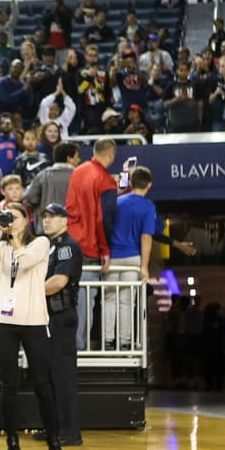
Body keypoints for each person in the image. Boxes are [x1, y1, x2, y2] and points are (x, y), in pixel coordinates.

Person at [0, 202, 64, 450]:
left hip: (35, 321)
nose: (10, 222)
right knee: (9, 384)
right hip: (5, 322)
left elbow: (25, 261)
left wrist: (13, 238)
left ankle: (54, 440)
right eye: (7, 218)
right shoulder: (3, 246)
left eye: (14, 218)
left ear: (26, 220)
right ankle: (12, 442)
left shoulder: (40, 243)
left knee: (42, 383)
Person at [66, 139, 117, 352]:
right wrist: (105, 250)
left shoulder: (77, 171)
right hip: (89, 247)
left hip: (68, 244)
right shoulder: (106, 181)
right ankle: (77, 348)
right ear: (111, 155)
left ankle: (66, 346)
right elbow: (104, 219)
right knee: (85, 301)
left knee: (68, 299)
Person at [41, 203, 83, 446]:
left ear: (65, 220)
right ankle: (53, 428)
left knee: (63, 376)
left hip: (61, 316)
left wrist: (29, 291)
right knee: (49, 375)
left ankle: (69, 431)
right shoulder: (47, 246)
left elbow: (58, 282)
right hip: (47, 316)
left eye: (53, 217)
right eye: (45, 217)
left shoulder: (68, 247)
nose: (47, 221)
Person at [104, 167, 156, 350]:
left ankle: (108, 339)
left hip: (112, 257)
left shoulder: (117, 202)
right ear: (149, 185)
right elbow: (146, 236)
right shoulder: (149, 206)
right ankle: (125, 341)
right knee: (127, 300)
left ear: (131, 183)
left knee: (109, 298)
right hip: (133, 258)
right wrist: (145, 266)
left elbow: (106, 227)